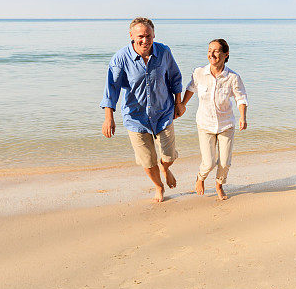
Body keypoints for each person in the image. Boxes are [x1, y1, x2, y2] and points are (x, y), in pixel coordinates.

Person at [100, 17, 185, 202]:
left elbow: (175, 77)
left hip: (163, 112)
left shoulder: (163, 52)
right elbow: (111, 88)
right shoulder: (121, 58)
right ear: (131, 36)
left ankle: (166, 168)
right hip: (135, 118)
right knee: (147, 161)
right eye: (140, 36)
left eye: (148, 36)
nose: (145, 40)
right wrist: (109, 118)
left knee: (169, 156)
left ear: (154, 35)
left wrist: (179, 103)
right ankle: (159, 186)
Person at [180, 39, 248, 201]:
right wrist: (182, 104)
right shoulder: (199, 73)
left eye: (216, 51)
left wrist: (243, 117)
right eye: (210, 50)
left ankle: (219, 184)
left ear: (226, 54)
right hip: (205, 123)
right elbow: (191, 88)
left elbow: (241, 98)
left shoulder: (233, 77)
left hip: (226, 124)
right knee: (209, 162)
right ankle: (200, 178)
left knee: (225, 162)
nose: (212, 54)